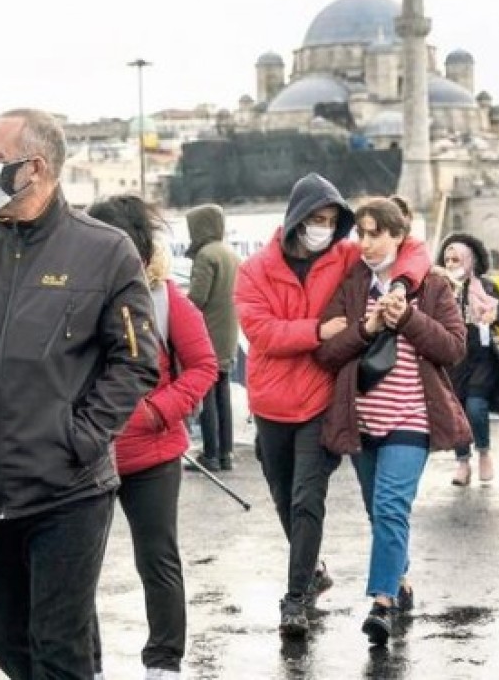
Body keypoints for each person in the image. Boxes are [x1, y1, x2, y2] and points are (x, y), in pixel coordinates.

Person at [0, 109, 161, 678]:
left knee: (59, 650)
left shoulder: (106, 251)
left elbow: (136, 360)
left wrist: (78, 437)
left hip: (65, 494)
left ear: (36, 167)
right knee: (8, 646)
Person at [234, 173, 430, 639]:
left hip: (321, 398)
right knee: (284, 499)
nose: (323, 228)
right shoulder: (254, 269)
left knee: (307, 500)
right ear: (296, 219)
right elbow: (260, 332)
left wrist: (401, 282)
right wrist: (315, 331)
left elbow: (412, 248)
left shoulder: (344, 255)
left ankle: (295, 598)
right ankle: (314, 571)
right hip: (271, 401)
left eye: (330, 220)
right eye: (315, 219)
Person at [314, 198, 469, 646]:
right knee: (377, 511)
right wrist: (364, 328)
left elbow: (454, 349)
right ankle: (400, 579)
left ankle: (382, 603)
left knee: (389, 507)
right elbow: (327, 353)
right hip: (362, 421)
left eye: (376, 232)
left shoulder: (432, 285)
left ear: (399, 235)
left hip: (411, 419)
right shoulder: (354, 283)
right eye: (360, 232)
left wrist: (409, 319)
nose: (366, 242)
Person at [86, 196, 218, 680]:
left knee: (158, 560)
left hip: (153, 455)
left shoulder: (163, 297)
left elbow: (204, 365)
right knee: (77, 571)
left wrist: (155, 411)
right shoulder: (70, 292)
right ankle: (88, 664)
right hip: (84, 453)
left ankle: (164, 661)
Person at [440, 234, 499, 486]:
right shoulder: (440, 287)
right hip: (452, 360)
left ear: (470, 260)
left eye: (456, 259)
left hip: (481, 358)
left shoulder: (487, 286)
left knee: (476, 408)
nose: (451, 264)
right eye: (447, 259)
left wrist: (493, 314)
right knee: (456, 410)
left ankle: (483, 452)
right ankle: (462, 461)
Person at [185, 203, 241, 472]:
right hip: (228, 333)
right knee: (223, 394)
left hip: (208, 334)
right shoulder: (229, 253)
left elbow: (197, 298)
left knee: (207, 396)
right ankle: (226, 453)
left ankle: (210, 455)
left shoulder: (206, 255)